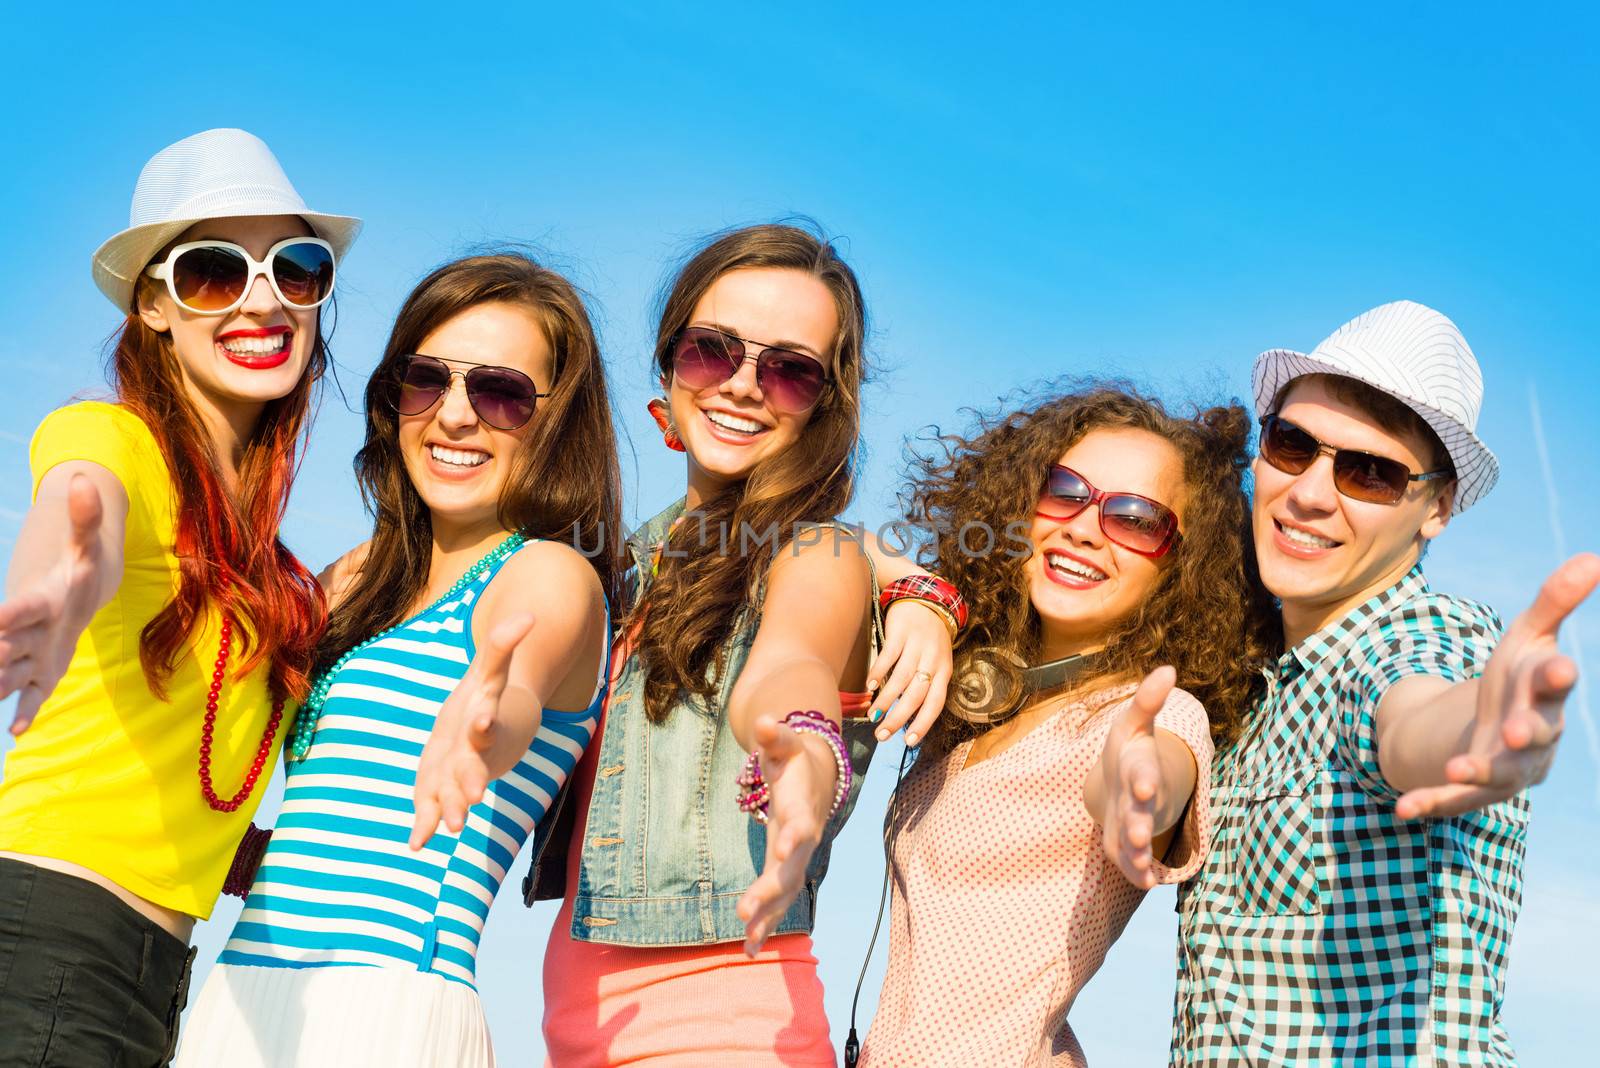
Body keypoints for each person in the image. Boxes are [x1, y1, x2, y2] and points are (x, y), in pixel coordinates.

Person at [174, 253, 621, 1067]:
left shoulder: (550, 572)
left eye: (501, 393)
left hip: (384, 1005)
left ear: (558, 421)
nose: (455, 416)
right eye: (426, 380)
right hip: (242, 993)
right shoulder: (348, 580)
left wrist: (483, 717)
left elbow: (515, 692)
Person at [530, 222, 958, 1066]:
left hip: (729, 1036)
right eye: (712, 351)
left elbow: (792, 662)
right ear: (667, 371)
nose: (745, 385)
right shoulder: (615, 571)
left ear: (826, 407)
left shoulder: (820, 553)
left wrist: (803, 749)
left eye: (792, 370)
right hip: (583, 1039)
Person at [0, 128, 358, 1066]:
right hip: (47, 934)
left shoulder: (268, 575)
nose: (262, 299)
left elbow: (196, 768)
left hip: (150, 970)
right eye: (213, 273)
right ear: (153, 305)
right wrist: (60, 581)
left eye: (296, 268)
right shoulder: (118, 442)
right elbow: (84, 513)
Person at [1172, 300, 1600, 1066]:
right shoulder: (1251, 688)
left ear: (1436, 506)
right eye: (1293, 443)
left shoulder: (1421, 638)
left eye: (1371, 472)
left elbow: (1411, 712)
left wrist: (1485, 733)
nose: (1310, 492)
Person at [859, 385, 1273, 1066]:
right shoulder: (989, 699)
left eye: (1137, 519)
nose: (1083, 527)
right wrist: (924, 600)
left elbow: (1150, 774)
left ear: (1184, 566)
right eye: (1064, 490)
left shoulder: (1156, 711)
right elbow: (830, 542)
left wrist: (1138, 790)